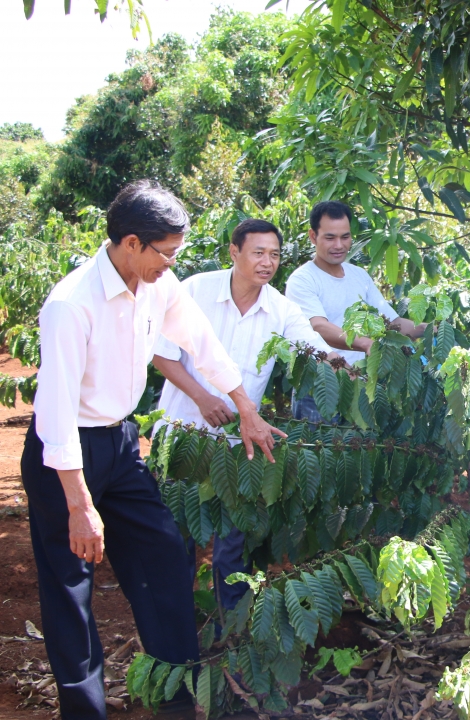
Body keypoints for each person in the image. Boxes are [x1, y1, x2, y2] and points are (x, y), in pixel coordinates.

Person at [22, 181, 285, 720]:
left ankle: (175, 701)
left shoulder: (158, 286)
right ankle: (84, 710)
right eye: (165, 253)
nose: (172, 264)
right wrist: (78, 503)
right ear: (131, 243)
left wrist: (245, 407)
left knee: (164, 556)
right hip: (65, 457)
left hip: (119, 446)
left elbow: (202, 343)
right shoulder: (71, 305)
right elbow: (54, 413)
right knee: (71, 588)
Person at [151, 218, 338, 611]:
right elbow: (162, 355)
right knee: (176, 538)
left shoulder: (281, 309)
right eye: (258, 252)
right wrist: (202, 398)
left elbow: (314, 346)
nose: (267, 262)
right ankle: (177, 627)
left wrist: (351, 362)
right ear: (234, 251)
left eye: (274, 254)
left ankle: (230, 629)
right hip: (181, 437)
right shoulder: (196, 290)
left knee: (228, 550)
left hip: (237, 445)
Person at [285, 200, 426, 422]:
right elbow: (317, 326)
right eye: (330, 238)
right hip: (320, 387)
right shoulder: (303, 280)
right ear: (313, 237)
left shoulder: (359, 276)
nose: (339, 245)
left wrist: (426, 330)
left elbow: (391, 321)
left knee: (357, 453)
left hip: (360, 386)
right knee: (321, 452)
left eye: (345, 237)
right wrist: (364, 343)